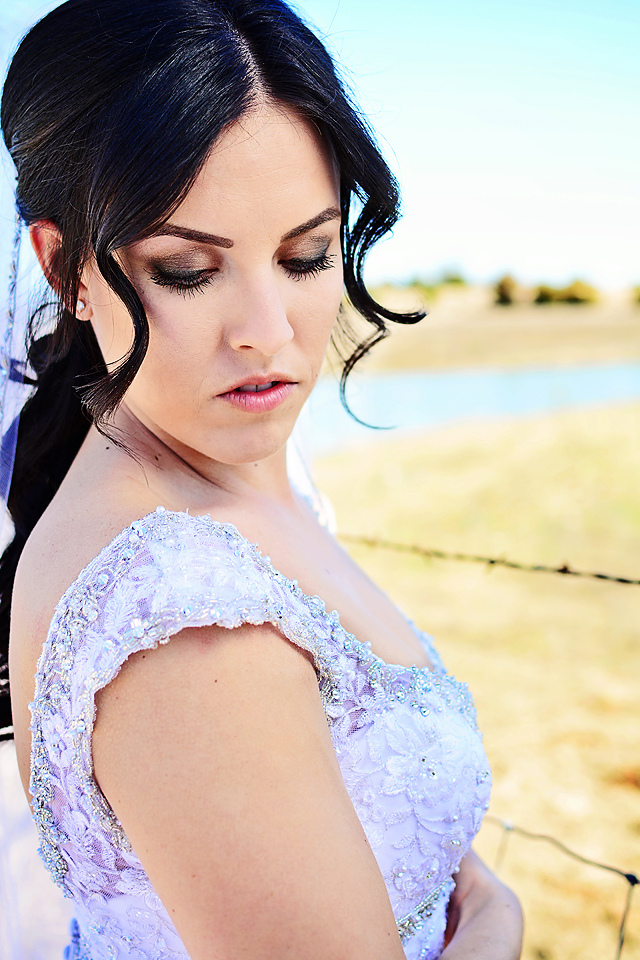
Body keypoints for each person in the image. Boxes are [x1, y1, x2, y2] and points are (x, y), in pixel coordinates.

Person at [0, 1, 523, 957]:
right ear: (65, 267)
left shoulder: (233, 476)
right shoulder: (182, 625)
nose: (269, 332)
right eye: (188, 270)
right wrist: (497, 923)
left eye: (305, 256)